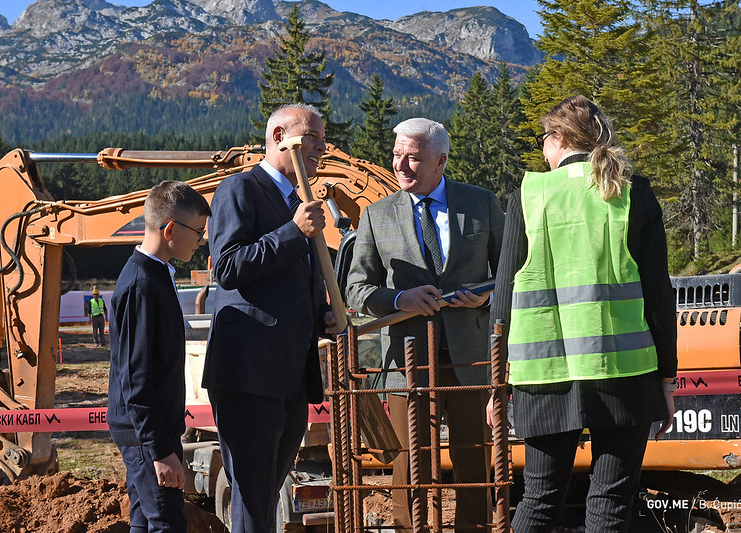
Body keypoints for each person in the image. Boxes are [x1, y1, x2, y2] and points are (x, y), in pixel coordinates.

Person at [488, 95, 677, 532]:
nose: (542, 149)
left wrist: (498, 386)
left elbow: (503, 299)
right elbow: (658, 296)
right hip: (625, 374)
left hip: (543, 376)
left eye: (543, 139)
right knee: (611, 502)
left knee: (538, 499)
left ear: (559, 138)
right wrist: (666, 378)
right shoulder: (633, 193)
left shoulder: (529, 195)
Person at [346, 117, 504, 530]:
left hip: (471, 359)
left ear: (440, 161)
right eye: (397, 155)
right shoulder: (377, 216)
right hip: (407, 361)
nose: (400, 165)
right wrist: (400, 299)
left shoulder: (481, 203)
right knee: (410, 465)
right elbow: (357, 289)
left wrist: (487, 294)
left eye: (412, 157)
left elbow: (513, 270)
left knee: (475, 460)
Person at [202, 103, 338, 533]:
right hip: (248, 375)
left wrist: (323, 316)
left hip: (289, 377)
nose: (320, 147)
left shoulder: (298, 201)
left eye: (322, 138)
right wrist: (293, 231)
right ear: (280, 137)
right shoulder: (239, 190)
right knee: (253, 497)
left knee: (266, 494)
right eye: (311, 137)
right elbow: (228, 267)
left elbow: (288, 285)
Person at [107, 180, 211, 533]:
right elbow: (137, 377)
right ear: (170, 229)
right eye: (198, 231)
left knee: (144, 521)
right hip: (145, 434)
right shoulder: (142, 284)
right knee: (167, 522)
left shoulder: (153, 275)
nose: (201, 241)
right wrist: (160, 450)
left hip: (145, 431)